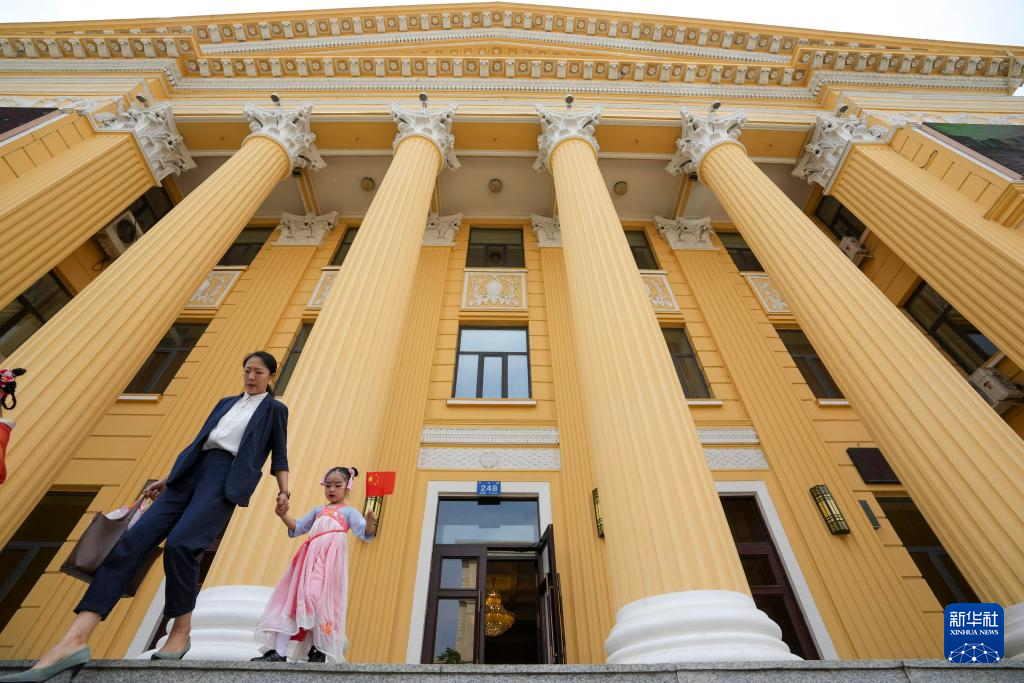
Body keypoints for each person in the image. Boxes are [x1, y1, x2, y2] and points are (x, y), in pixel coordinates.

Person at [1, 351, 289, 682]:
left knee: (181, 544)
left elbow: (279, 456)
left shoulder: (274, 410)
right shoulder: (226, 403)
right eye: (247, 370)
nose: (250, 376)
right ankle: (74, 640)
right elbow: (200, 443)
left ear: (271, 376)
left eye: (258, 372)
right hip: (187, 476)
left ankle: (180, 631)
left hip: (224, 478)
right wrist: (168, 478)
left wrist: (284, 491)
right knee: (130, 543)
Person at [251, 466, 376, 664]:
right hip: (308, 562)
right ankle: (279, 652)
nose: (331, 489)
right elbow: (298, 527)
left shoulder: (349, 512)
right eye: (328, 485)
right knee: (293, 600)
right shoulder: (319, 510)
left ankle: (319, 647)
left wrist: (369, 522)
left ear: (347, 487)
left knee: (314, 598)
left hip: (329, 564)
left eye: (337, 485)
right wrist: (283, 515)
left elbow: (365, 532)